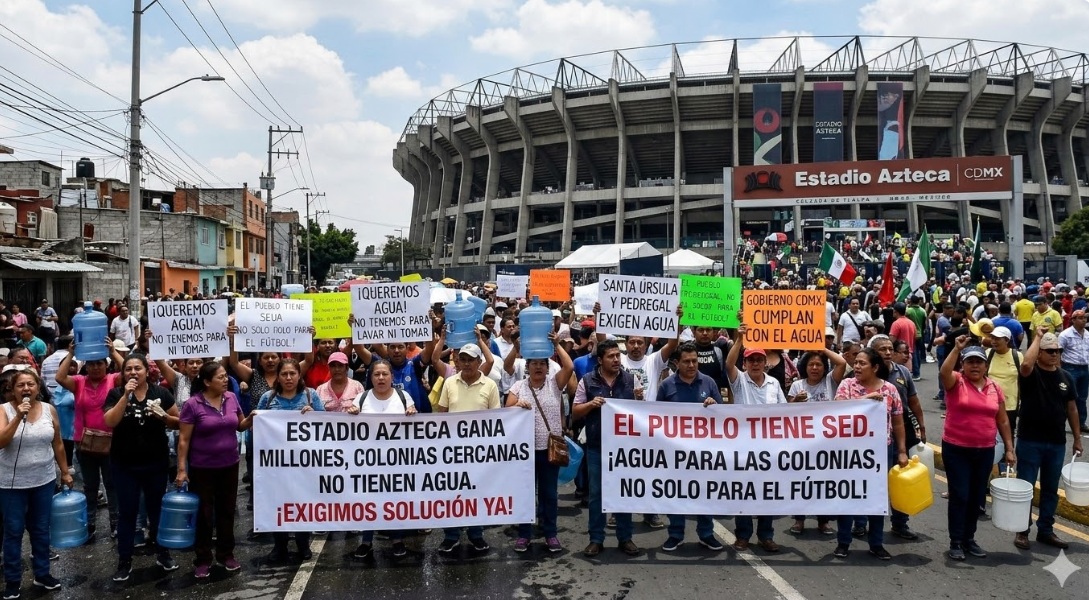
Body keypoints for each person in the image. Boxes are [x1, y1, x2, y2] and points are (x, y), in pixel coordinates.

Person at [103, 354, 181, 581]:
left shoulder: (161, 393)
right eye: (128, 369)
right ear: (123, 373)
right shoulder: (116, 393)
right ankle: (124, 561)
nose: (133, 373)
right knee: (127, 513)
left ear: (147, 371)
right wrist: (126, 396)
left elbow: (179, 421)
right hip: (124, 465)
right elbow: (110, 421)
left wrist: (163, 416)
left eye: (138, 368)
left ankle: (163, 553)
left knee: (157, 511)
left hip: (155, 463)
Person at [939, 337, 1015, 561]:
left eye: (979, 362)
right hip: (956, 448)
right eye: (970, 361)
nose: (974, 366)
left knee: (976, 497)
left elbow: (1002, 420)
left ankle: (969, 539)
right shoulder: (956, 382)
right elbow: (944, 372)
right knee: (960, 495)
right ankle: (955, 541)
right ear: (962, 364)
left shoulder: (994, 388)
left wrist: (1009, 448)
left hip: (984, 449)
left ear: (986, 365)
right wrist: (956, 348)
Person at [0, 370, 73, 598]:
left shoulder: (49, 409)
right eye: (20, 385)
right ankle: (12, 581)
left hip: (44, 481)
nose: (26, 389)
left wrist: (65, 471)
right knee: (13, 532)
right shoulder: (3, 410)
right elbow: (2, 441)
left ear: (38, 387)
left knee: (41, 530)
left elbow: (58, 442)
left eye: (30, 384)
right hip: (11, 485)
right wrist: (16, 417)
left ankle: (42, 574)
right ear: (12, 389)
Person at [176, 361, 251, 578]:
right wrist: (182, 469)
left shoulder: (231, 398)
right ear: (207, 382)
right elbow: (183, 440)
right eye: (220, 377)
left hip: (230, 465)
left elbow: (240, 425)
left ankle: (226, 554)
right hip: (202, 468)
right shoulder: (193, 404)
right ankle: (203, 559)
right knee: (204, 515)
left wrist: (253, 417)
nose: (225, 380)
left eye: (226, 376)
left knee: (227, 511)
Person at [831, 347, 908, 561]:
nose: (856, 366)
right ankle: (843, 542)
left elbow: (898, 422)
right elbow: (837, 411)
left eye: (862, 363)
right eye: (855, 362)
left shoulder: (890, 390)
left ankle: (876, 543)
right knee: (847, 495)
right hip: (850, 451)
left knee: (877, 497)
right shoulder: (847, 386)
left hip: (880, 451)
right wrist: (865, 402)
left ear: (875, 367)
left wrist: (902, 451)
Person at [571, 340, 642, 558]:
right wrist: (591, 405)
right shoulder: (587, 381)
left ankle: (625, 537)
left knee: (623, 492)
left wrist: (640, 399)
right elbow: (575, 412)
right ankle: (596, 539)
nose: (616, 359)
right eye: (611, 356)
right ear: (600, 360)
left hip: (624, 450)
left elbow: (643, 415)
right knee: (597, 495)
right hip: (597, 446)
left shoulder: (631, 380)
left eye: (617, 356)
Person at [1014, 331, 1083, 550]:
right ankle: (1022, 530)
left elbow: (1072, 408)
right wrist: (1036, 338)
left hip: (1056, 442)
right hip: (1029, 440)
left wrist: (1078, 439)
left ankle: (1046, 530)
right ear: (1040, 353)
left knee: (1050, 489)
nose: (1055, 355)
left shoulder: (1066, 377)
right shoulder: (1030, 373)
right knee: (1025, 487)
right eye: (1050, 351)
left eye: (1058, 351)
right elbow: (1025, 363)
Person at [506, 333, 574, 554]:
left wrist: (556, 344)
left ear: (548, 367)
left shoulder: (555, 385)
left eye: (542, 364)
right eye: (534, 363)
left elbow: (570, 366)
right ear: (527, 367)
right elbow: (507, 411)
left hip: (549, 451)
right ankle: (524, 535)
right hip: (525, 451)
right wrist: (518, 405)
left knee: (549, 494)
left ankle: (551, 534)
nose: (538, 367)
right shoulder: (518, 387)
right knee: (525, 493)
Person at [724, 322, 787, 553]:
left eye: (759, 359)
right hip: (743, 446)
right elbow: (728, 364)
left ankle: (766, 535)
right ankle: (742, 536)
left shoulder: (774, 383)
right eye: (751, 360)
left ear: (765, 363)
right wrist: (740, 339)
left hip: (769, 448)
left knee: (767, 492)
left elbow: (783, 412)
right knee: (743, 491)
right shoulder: (739, 380)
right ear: (746, 363)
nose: (756, 363)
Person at [657, 342, 724, 553]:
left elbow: (723, 415)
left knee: (704, 492)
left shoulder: (709, 382)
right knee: (676, 493)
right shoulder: (667, 386)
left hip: (704, 452)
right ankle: (675, 534)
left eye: (695, 361)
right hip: (675, 452)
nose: (692, 365)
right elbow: (656, 417)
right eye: (687, 361)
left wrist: (714, 406)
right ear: (677, 362)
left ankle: (706, 533)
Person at [55, 343, 126, 539]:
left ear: (106, 365)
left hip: (111, 441)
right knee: (90, 485)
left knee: (112, 484)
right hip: (84, 442)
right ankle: (90, 525)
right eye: (91, 364)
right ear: (85, 366)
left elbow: (129, 373)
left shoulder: (113, 380)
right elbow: (59, 377)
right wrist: (70, 354)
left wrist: (113, 352)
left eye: (100, 364)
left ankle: (115, 524)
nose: (95, 367)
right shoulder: (79, 381)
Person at [436, 344, 501, 555]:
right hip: (452, 451)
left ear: (478, 361)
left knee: (477, 493)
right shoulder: (449, 383)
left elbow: (497, 419)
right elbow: (442, 414)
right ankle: (451, 535)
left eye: (470, 359)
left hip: (480, 452)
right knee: (452, 493)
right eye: (462, 359)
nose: (466, 363)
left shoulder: (489, 385)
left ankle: (476, 534)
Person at [349, 360, 417, 561]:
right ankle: (366, 541)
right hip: (368, 463)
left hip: (397, 462)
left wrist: (413, 415)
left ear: (391, 377)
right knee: (369, 502)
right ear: (371, 378)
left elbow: (415, 429)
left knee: (394, 501)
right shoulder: (361, 399)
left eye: (384, 374)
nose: (380, 378)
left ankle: (397, 540)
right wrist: (350, 415)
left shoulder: (404, 397)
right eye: (376, 374)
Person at [787, 347, 848, 535]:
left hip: (826, 443)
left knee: (824, 482)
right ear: (805, 367)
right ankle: (799, 520)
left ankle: (823, 521)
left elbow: (842, 363)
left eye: (819, 364)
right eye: (811, 364)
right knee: (801, 482)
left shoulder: (831, 381)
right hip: (802, 443)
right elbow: (785, 412)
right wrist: (796, 401)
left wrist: (821, 348)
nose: (815, 368)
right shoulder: (797, 385)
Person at [1058, 309, 1089, 432]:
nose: (1084, 320)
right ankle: (1061, 422)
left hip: (1084, 369)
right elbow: (1058, 352)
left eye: (1085, 318)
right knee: (1067, 396)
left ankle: (1081, 422)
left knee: (1082, 397)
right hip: (1070, 368)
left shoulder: (1087, 334)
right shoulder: (1065, 335)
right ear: (1073, 320)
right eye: (1080, 318)